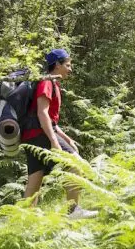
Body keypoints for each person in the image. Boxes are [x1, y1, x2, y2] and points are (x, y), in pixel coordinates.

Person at [21, 49, 97, 219]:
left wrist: (67, 138)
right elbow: (42, 113)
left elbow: (51, 121)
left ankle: (24, 219)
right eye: (68, 65)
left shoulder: (51, 83)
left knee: (35, 178)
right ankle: (73, 211)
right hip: (40, 134)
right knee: (75, 164)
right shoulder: (47, 83)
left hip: (31, 135)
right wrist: (54, 142)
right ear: (57, 65)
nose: (70, 69)